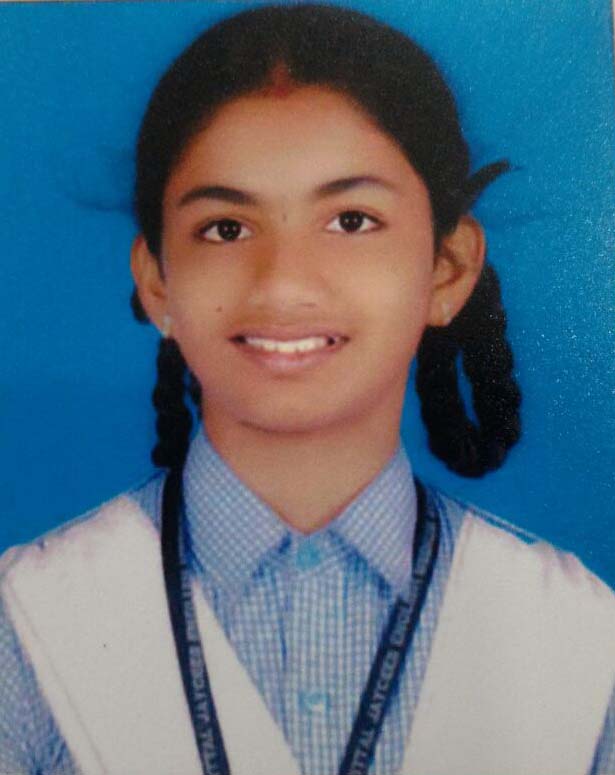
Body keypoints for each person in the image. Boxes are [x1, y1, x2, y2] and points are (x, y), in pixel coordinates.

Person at [0, 4, 613, 774]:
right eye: (226, 228)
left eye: (351, 220)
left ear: (446, 268)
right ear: (157, 281)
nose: (283, 283)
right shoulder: (27, 625)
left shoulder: (578, 640)